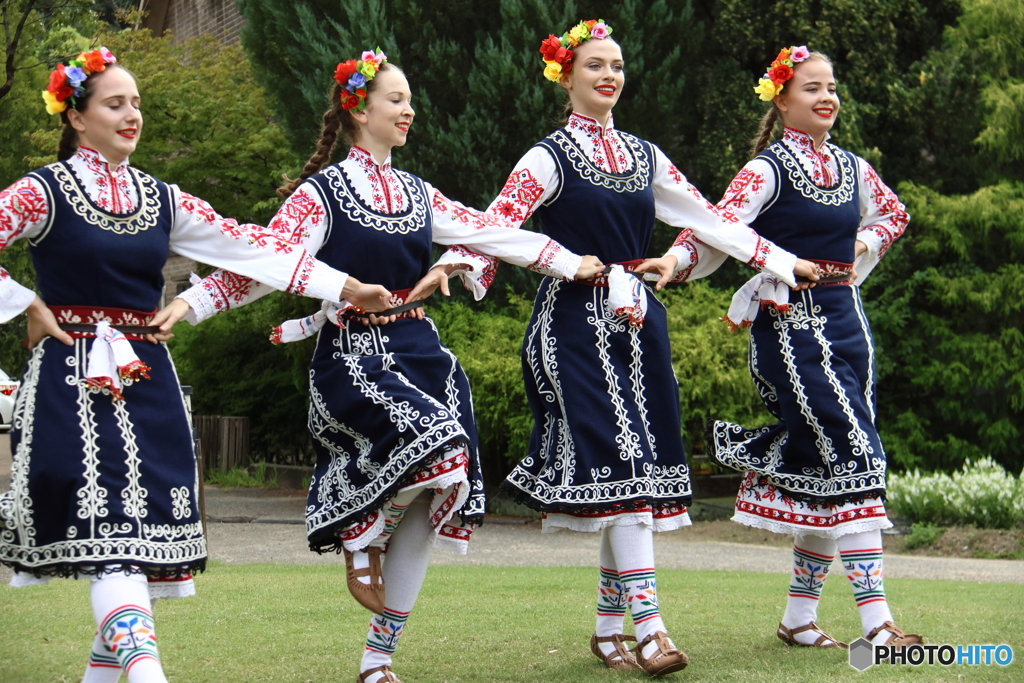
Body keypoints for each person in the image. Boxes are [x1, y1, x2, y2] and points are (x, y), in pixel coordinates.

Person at [168, 49, 602, 683]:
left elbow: (489, 233)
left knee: (441, 492)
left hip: (423, 353)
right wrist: (190, 301)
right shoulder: (323, 193)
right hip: (355, 357)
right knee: (440, 445)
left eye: (408, 100)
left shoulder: (418, 193)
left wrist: (565, 261)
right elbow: (261, 263)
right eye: (396, 100)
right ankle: (359, 533)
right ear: (359, 108)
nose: (409, 110)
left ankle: (378, 659)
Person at [416, 21, 819, 676]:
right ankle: (653, 630)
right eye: (596, 65)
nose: (610, 75)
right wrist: (457, 265)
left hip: (637, 321)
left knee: (634, 475)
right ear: (567, 76)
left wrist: (777, 257)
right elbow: (497, 221)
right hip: (574, 322)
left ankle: (609, 634)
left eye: (618, 66)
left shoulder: (644, 155)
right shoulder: (548, 156)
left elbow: (709, 219)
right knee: (624, 468)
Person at [0, 48, 391, 683]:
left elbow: (253, 246)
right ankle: (150, 675)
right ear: (76, 115)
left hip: (145, 379)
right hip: (69, 379)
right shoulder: (40, 192)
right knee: (111, 542)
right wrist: (25, 304)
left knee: (133, 546)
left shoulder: (162, 199)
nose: (133, 115)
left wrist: (344, 286)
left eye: (136, 103)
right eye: (114, 103)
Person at [704, 46, 918, 652]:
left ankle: (798, 620)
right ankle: (877, 624)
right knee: (856, 453)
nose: (827, 97)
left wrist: (860, 248)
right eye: (812, 87)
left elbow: (894, 214)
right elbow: (715, 226)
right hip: (790, 323)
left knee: (832, 466)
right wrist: (675, 259)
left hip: (847, 319)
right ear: (782, 98)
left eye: (832, 87)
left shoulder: (852, 167)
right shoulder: (766, 170)